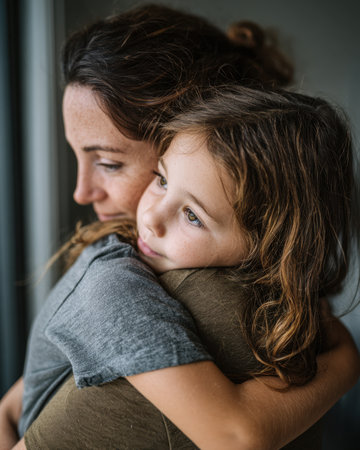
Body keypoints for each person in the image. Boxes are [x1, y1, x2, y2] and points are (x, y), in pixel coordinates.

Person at [0, 3, 358, 449]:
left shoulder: (209, 286)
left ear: (190, 129)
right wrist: (343, 363)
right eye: (163, 181)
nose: (81, 193)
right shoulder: (118, 285)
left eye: (108, 163)